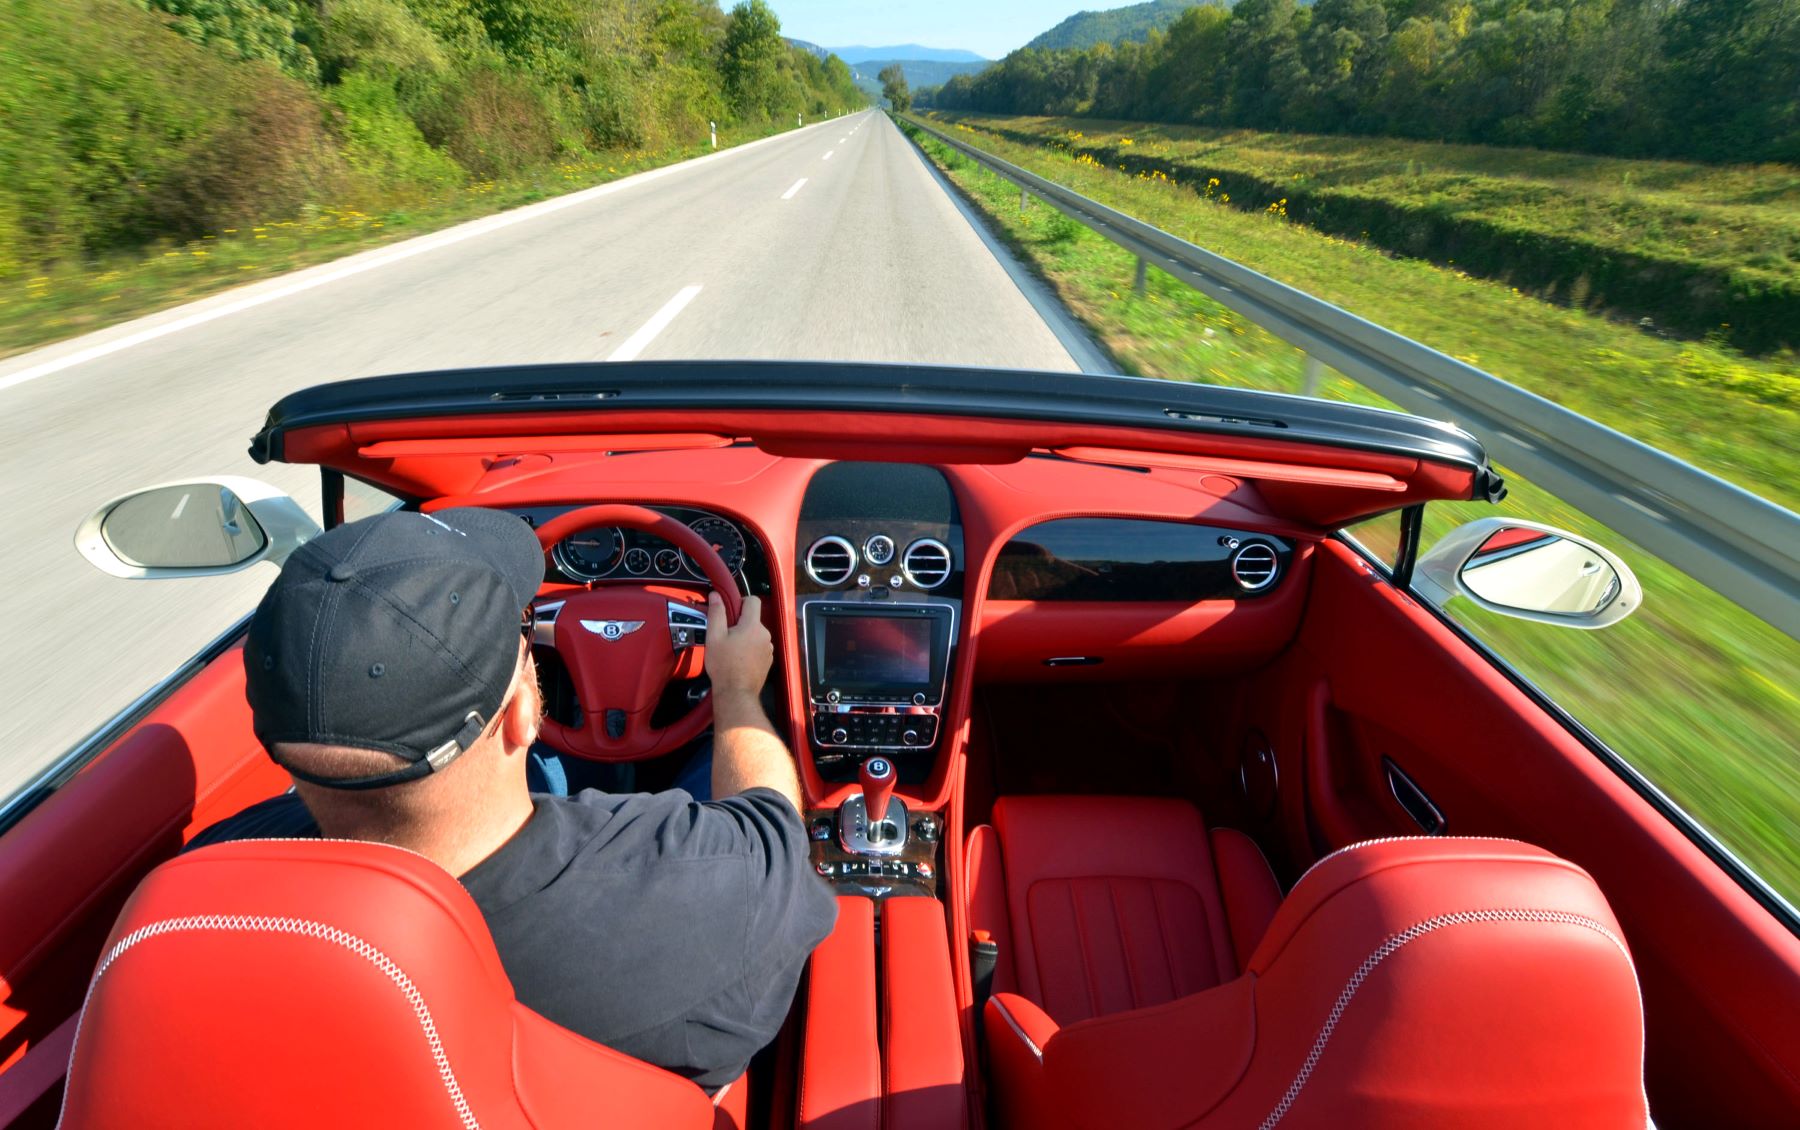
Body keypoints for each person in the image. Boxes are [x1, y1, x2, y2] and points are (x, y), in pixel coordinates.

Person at [192, 507, 837, 1091]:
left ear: (276, 740)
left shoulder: (210, 888)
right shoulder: (707, 889)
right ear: (528, 707)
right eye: (524, 643)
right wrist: (737, 690)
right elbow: (774, 827)